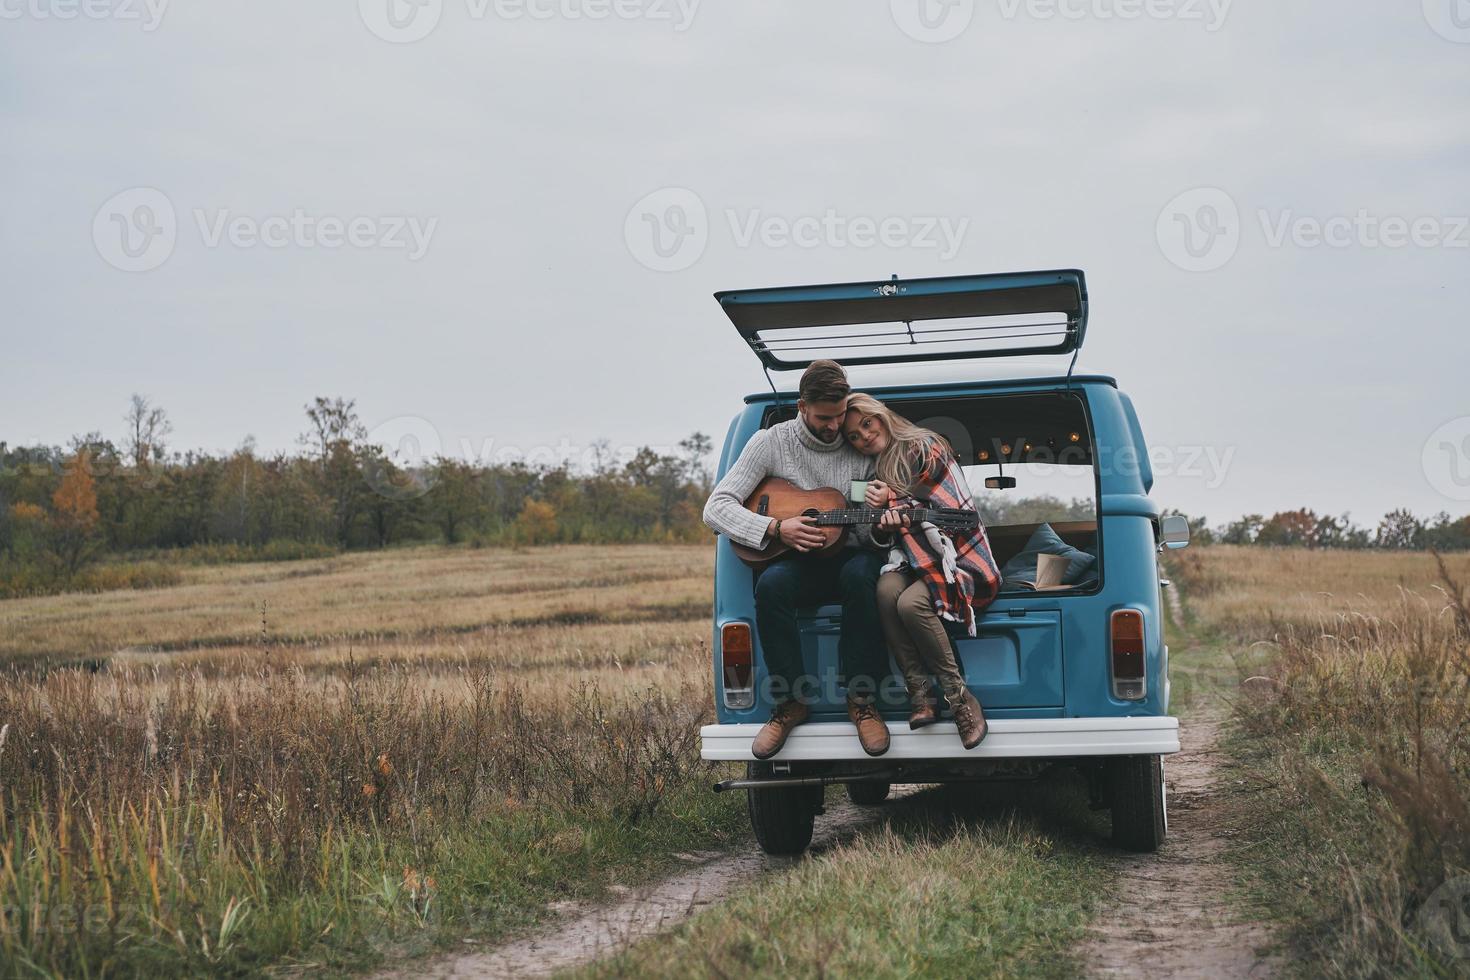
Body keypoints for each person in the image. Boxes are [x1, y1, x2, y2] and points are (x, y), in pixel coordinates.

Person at [703, 360, 891, 760]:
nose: (834, 426)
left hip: (847, 559)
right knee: (771, 585)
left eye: (840, 415)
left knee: (864, 574)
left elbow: (863, 528)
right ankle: (790, 702)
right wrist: (775, 530)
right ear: (802, 407)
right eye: (825, 417)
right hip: (796, 562)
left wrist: (880, 522)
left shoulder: (857, 451)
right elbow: (715, 508)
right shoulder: (771, 443)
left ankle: (862, 700)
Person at [843, 393, 1002, 749]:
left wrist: (894, 503)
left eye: (867, 424)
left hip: (955, 554)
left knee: (911, 604)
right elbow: (874, 529)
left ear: (881, 416)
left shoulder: (925, 445)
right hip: (911, 558)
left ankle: (959, 697)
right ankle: (920, 692)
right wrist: (883, 524)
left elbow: (948, 510)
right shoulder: (871, 472)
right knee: (885, 591)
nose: (864, 436)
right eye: (854, 435)